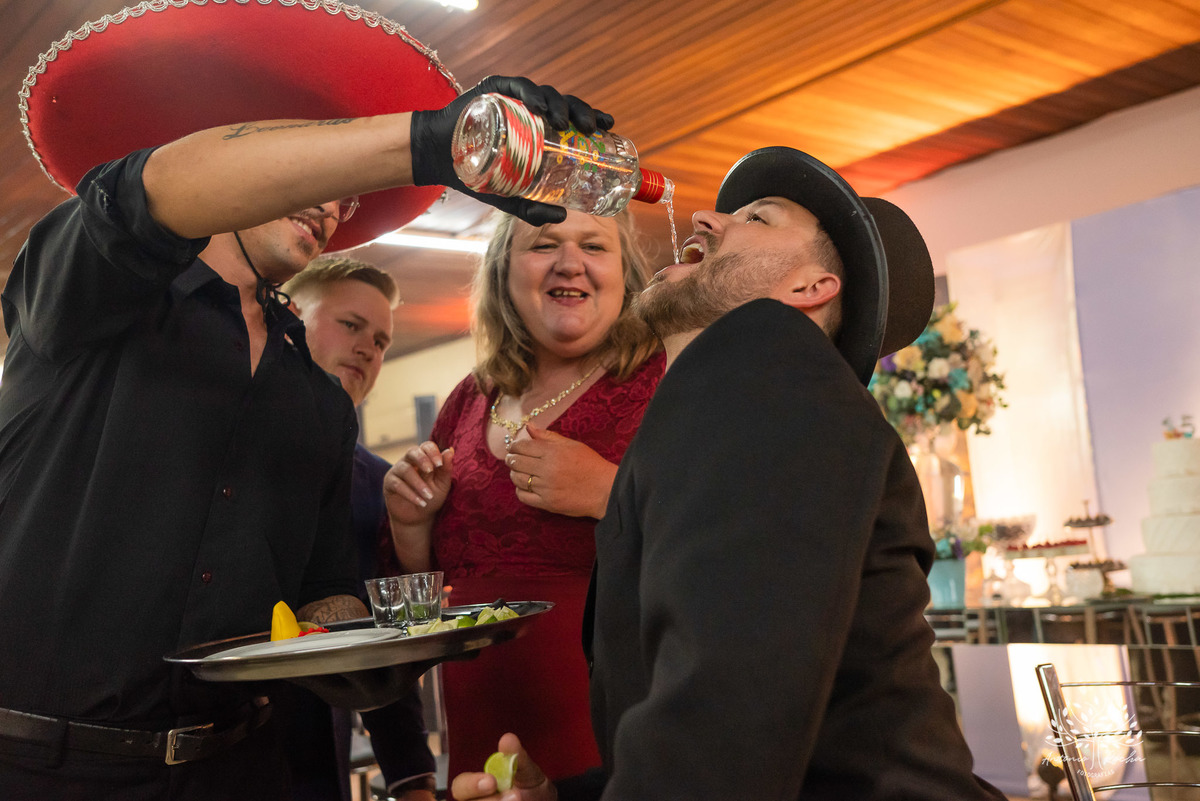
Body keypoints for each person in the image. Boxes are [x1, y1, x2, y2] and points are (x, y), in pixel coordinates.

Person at [0, 65, 615, 801]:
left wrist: (381, 650)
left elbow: (323, 589)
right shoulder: (97, 302)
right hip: (43, 768)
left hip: (243, 769)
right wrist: (436, 141)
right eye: (307, 164)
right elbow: (145, 195)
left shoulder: (319, 400)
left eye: (346, 194)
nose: (336, 204)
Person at [450, 147, 1006, 801]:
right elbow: (735, 711)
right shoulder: (731, 396)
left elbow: (723, 728)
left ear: (809, 288)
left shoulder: (773, 358)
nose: (707, 220)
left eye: (758, 218)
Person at [383, 208, 665, 783]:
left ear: (625, 272)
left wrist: (610, 491)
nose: (570, 262)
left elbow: (731, 540)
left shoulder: (664, 377)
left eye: (594, 245)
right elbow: (431, 596)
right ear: (503, 274)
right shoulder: (470, 397)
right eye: (544, 244)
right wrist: (411, 525)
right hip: (475, 744)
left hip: (614, 742)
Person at [278, 256, 439, 801]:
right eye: (350, 325)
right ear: (291, 317)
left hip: (319, 769)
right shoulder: (211, 445)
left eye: (382, 339)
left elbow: (378, 645)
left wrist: (412, 775)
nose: (369, 347)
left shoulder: (377, 483)